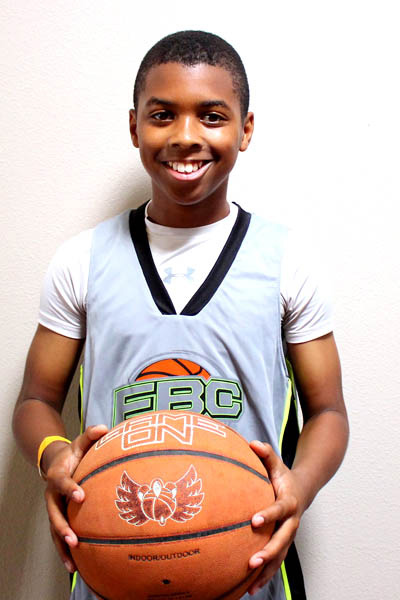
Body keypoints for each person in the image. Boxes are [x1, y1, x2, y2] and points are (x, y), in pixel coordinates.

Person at [12, 30, 349, 600]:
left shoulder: (287, 261)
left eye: (212, 116)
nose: (186, 136)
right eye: (162, 114)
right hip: (114, 567)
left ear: (245, 129)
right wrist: (54, 457)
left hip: (249, 566)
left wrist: (301, 485)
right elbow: (36, 401)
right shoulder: (82, 260)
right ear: (134, 126)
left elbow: (329, 412)